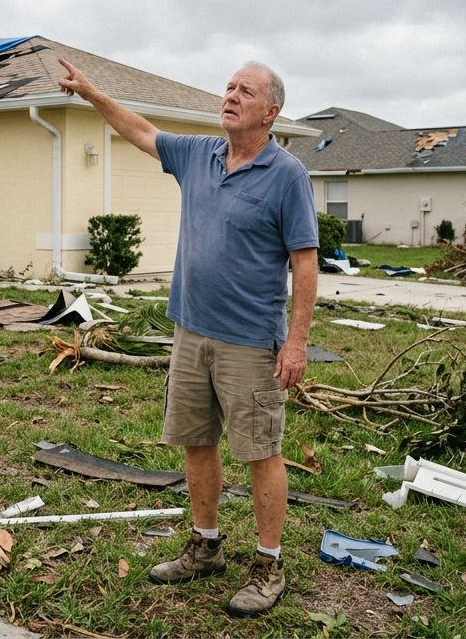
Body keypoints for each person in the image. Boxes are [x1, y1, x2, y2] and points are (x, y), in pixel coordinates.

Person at [57, 57, 319, 617]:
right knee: (196, 441)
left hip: (250, 341)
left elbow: (304, 260)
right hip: (189, 331)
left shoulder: (287, 174)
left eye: (244, 91)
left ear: (270, 112)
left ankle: (268, 565)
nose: (230, 95)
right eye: (228, 87)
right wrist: (90, 94)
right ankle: (205, 547)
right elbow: (139, 130)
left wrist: (296, 342)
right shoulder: (199, 155)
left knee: (260, 451)